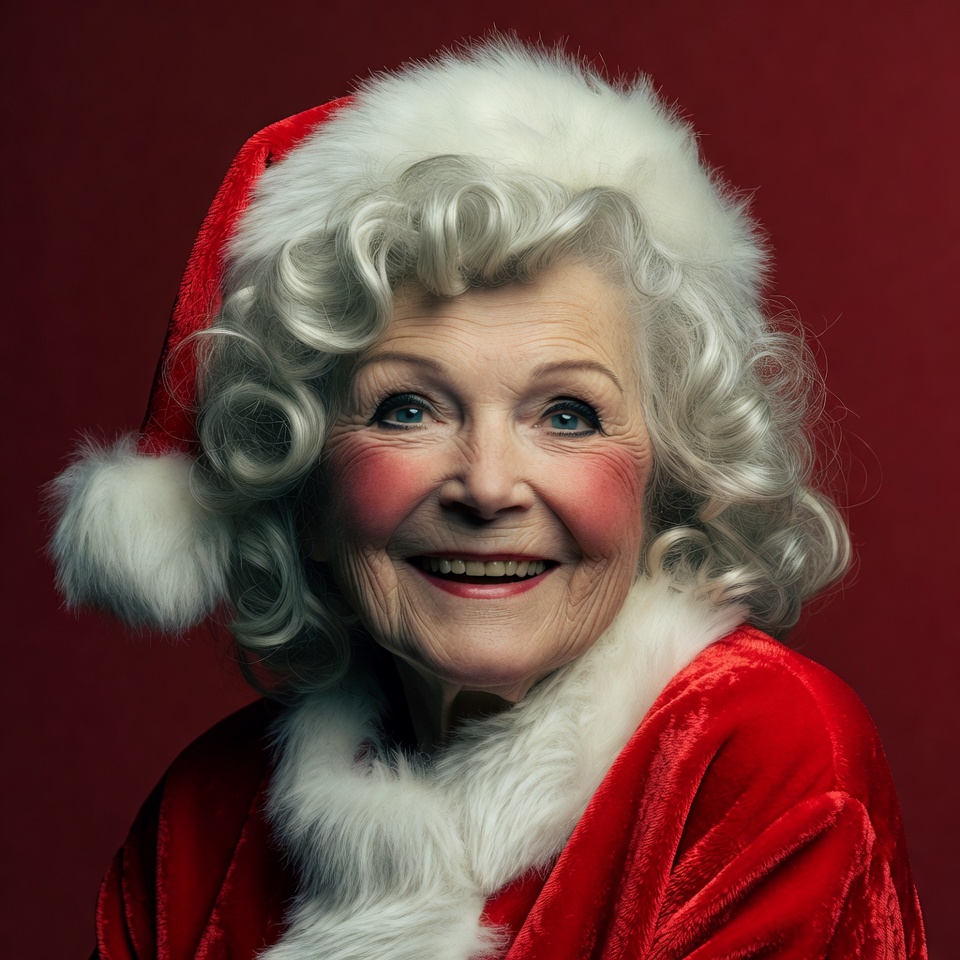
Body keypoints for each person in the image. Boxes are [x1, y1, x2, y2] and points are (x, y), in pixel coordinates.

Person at [50, 42, 926, 959]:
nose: (489, 485)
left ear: (666, 477)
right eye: (408, 408)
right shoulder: (197, 825)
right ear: (304, 484)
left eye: (568, 415)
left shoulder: (756, 753)